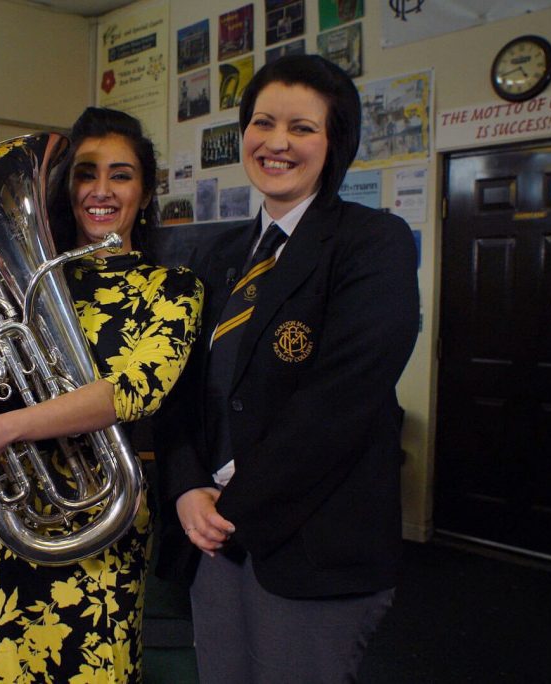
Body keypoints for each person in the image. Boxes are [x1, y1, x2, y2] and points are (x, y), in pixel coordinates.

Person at [153, 54, 420, 683]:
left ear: (336, 143)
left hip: (312, 542)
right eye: (263, 123)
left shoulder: (373, 242)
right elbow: (177, 385)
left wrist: (229, 503)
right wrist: (187, 487)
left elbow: (341, 400)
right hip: (212, 535)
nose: (277, 142)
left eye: (302, 128)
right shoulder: (214, 254)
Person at [0, 107, 204, 683]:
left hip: (99, 521)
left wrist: (5, 429)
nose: (101, 191)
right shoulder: (19, 283)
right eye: (86, 173)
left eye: (121, 174)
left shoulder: (175, 290)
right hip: (2, 519)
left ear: (147, 189)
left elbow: (131, 393)